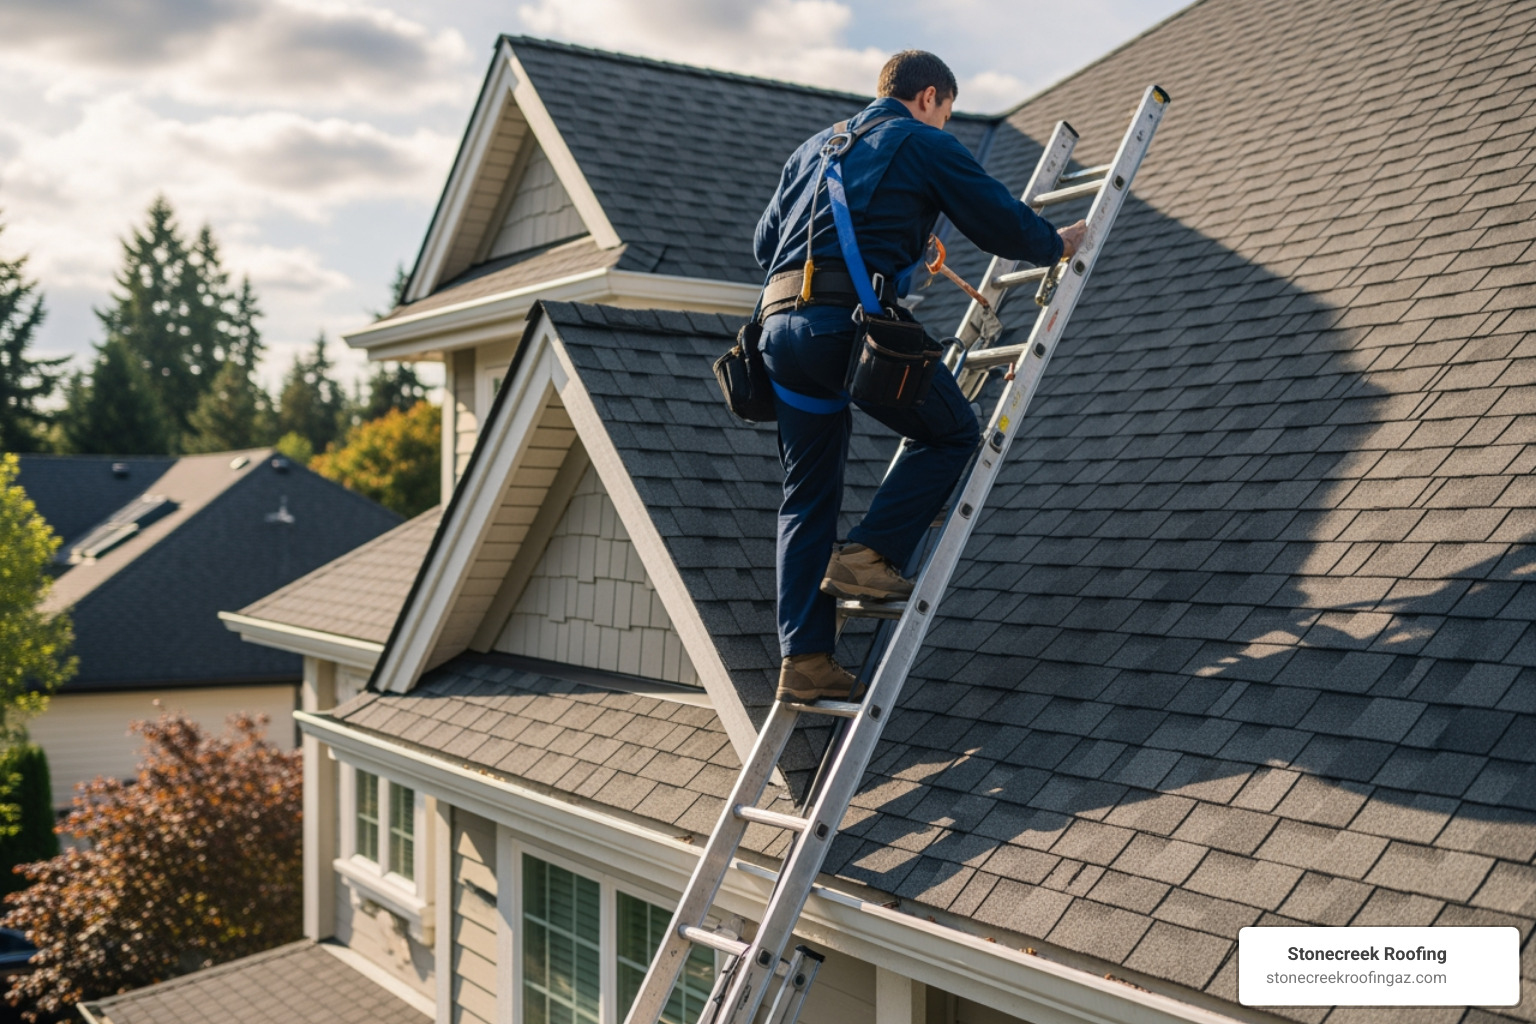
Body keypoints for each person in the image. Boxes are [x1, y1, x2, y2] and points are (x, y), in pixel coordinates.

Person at [754, 49, 1085, 703]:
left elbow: (767, 245)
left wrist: (899, 233)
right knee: (955, 433)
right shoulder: (919, 140)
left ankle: (806, 661)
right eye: (946, 113)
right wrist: (1057, 243)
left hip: (777, 336)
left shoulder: (815, 147)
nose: (944, 125)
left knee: (806, 497)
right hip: (840, 328)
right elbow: (995, 219)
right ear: (931, 96)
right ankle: (869, 555)